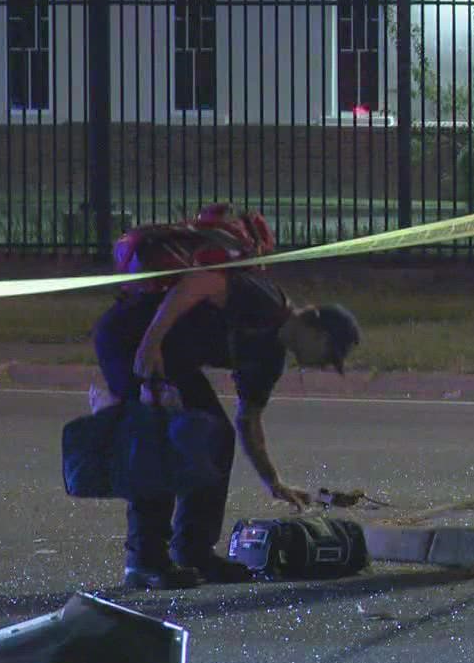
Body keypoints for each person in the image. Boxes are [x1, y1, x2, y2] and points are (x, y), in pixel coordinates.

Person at [90, 216, 361, 590]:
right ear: (314, 325)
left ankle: (193, 550)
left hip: (173, 359)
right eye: (327, 353)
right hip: (130, 338)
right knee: (159, 442)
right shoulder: (265, 300)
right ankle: (145, 560)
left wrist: (273, 481)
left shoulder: (270, 358)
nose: (321, 364)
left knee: (216, 437)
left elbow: (248, 421)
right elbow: (199, 282)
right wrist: (149, 343)